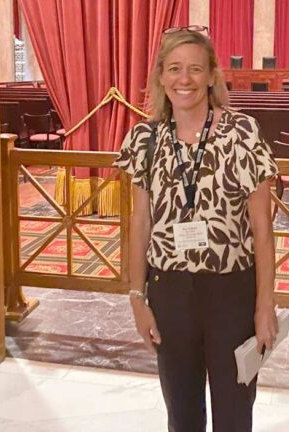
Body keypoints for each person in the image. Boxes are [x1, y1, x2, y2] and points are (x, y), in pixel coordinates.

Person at [114, 26, 279, 431]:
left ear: (210, 75)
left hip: (232, 292)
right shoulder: (144, 138)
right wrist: (137, 297)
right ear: (160, 76)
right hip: (170, 292)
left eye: (194, 69)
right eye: (173, 69)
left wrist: (264, 305)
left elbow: (262, 227)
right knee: (182, 413)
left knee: (234, 412)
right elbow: (140, 221)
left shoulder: (242, 132)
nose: (183, 79)